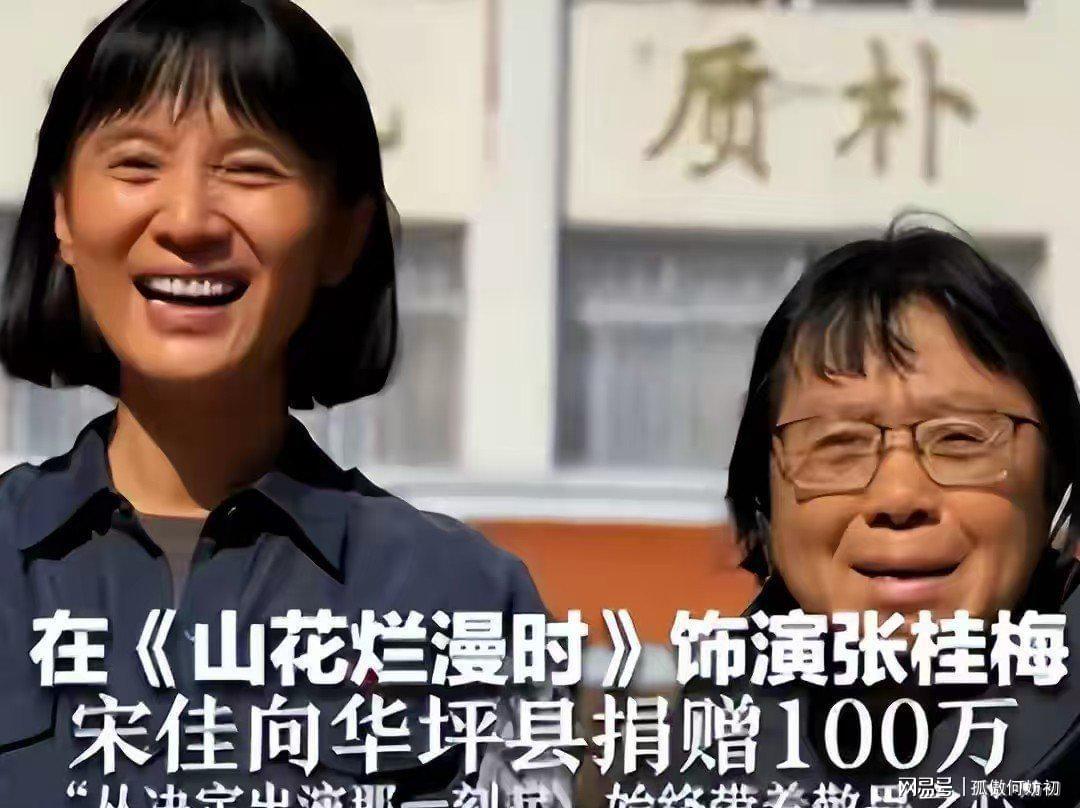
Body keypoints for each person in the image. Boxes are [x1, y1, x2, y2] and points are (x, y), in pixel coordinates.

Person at [0, 1, 567, 805]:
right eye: (136, 164)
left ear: (344, 233)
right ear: (63, 213)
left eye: (249, 169)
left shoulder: (465, 599)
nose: (188, 221)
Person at [664, 222, 1080, 805]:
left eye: (960, 439)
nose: (898, 498)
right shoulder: (692, 761)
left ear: (1055, 480)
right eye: (838, 444)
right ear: (764, 499)